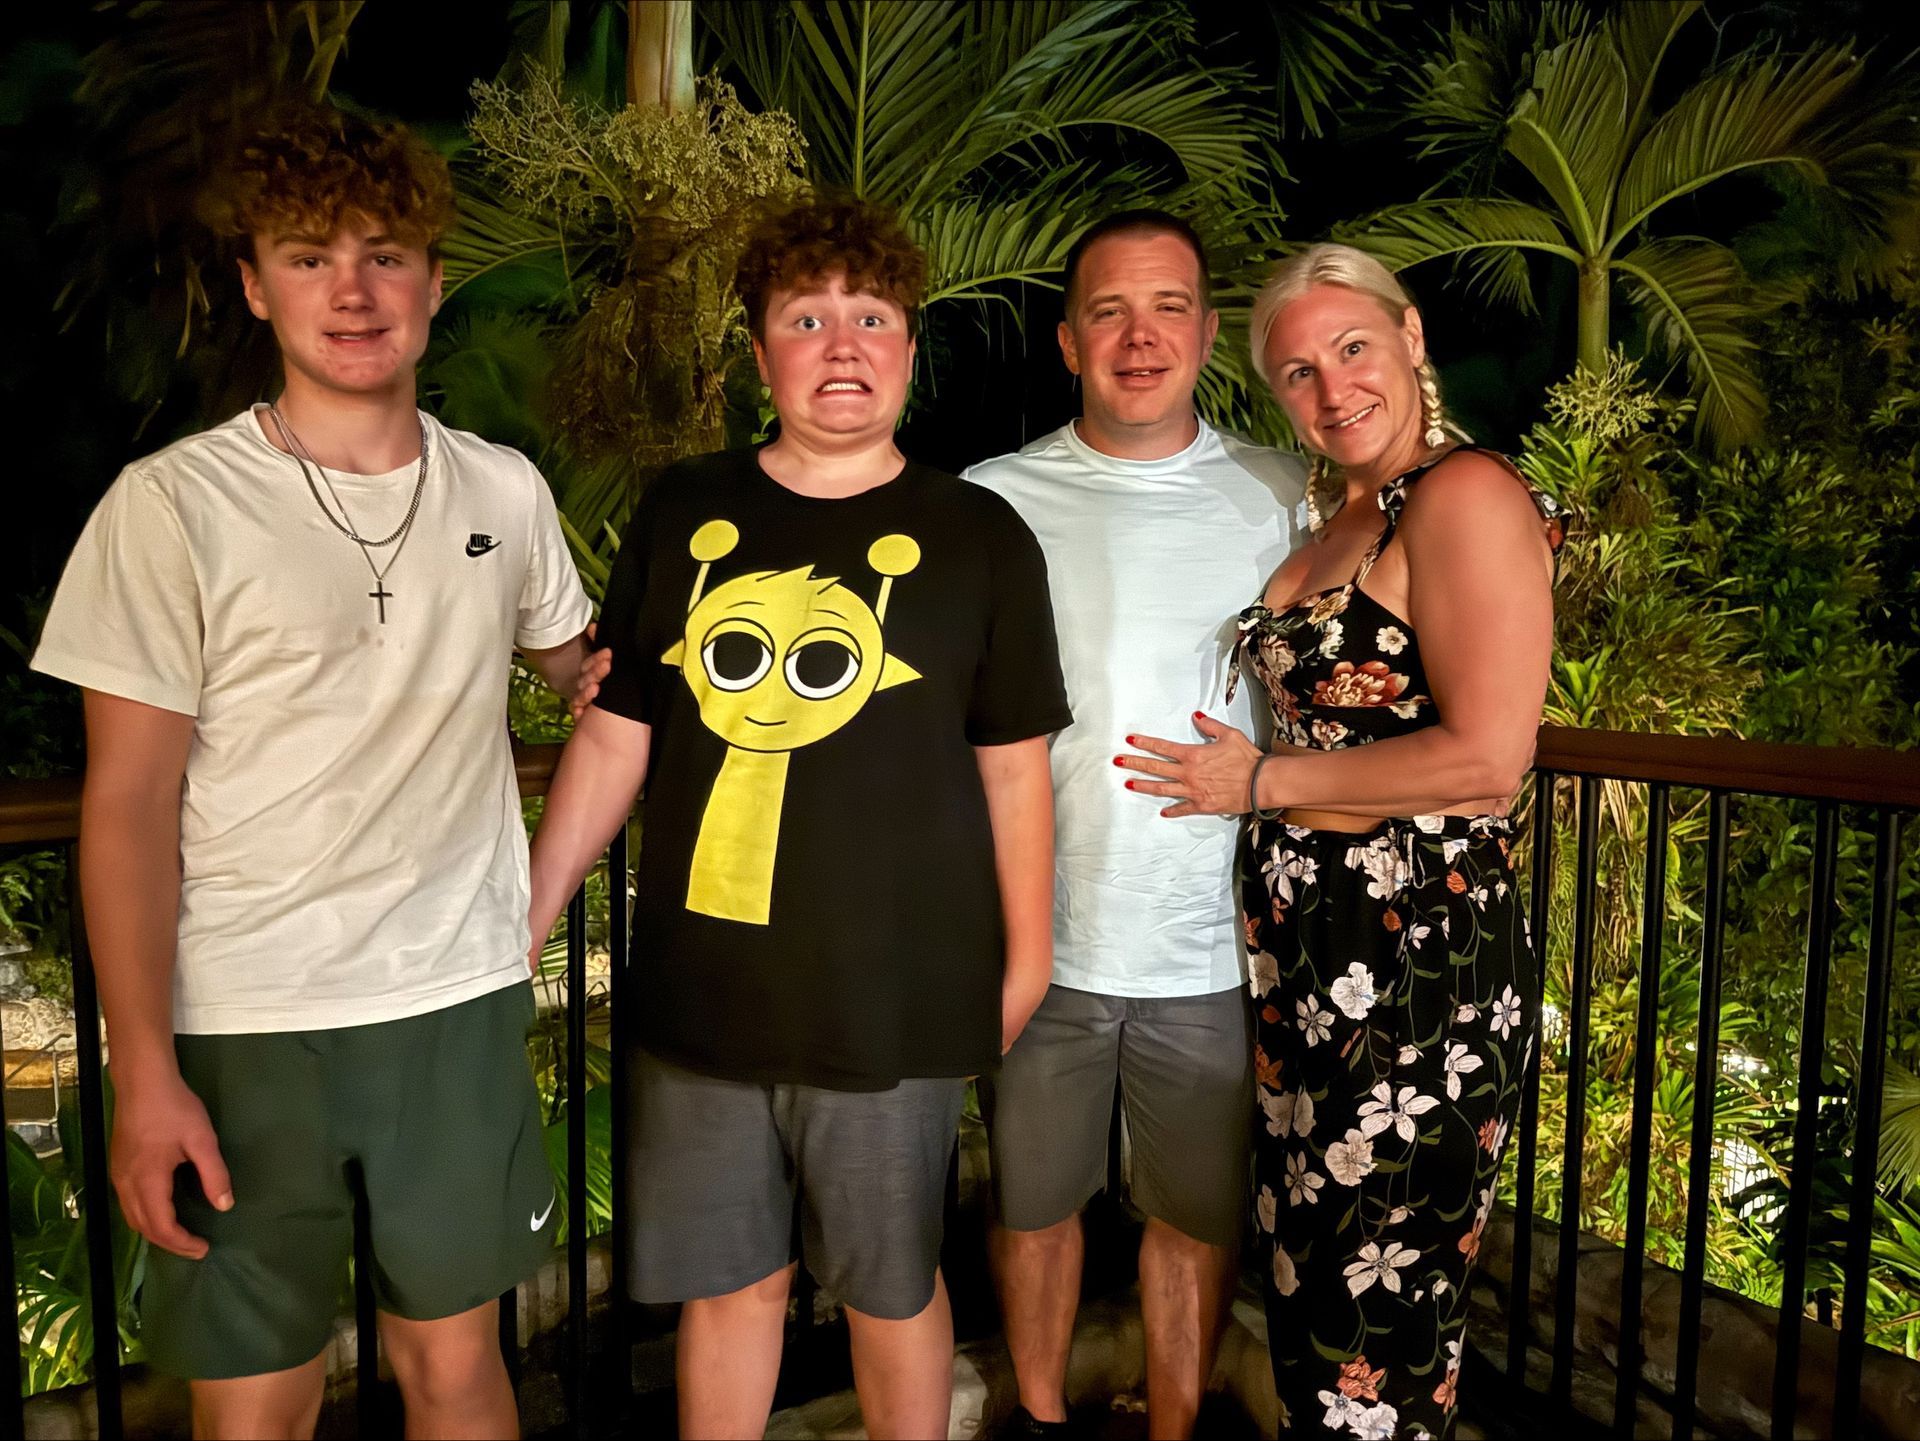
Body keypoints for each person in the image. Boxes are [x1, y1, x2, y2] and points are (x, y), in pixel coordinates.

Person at [30, 107, 595, 1439]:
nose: (352, 290)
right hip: (244, 1014)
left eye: (387, 253)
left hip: (456, 994)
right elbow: (123, 807)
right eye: (307, 254)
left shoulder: (504, 492)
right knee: (256, 1398)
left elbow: (591, 675)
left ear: (436, 280)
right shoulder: (171, 506)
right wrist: (146, 1070)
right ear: (252, 283)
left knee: (457, 1368)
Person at [531, 195, 1069, 1441]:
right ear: (760, 350)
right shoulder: (681, 509)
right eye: (806, 318)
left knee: (892, 1286)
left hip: (901, 990)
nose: (841, 346)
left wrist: (1027, 958)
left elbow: (1013, 767)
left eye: (869, 318)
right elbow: (621, 732)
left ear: (909, 346)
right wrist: (529, 908)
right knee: (729, 1287)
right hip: (703, 991)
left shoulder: (981, 535)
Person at [1117, 242, 1560, 1440]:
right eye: (1298, 373)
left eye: (1352, 349)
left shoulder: (1466, 493)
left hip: (1418, 970)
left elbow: (1484, 758)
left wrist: (1261, 777)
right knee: (1321, 1296)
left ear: (1412, 337)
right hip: (1312, 972)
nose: (1331, 389)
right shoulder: (1350, 512)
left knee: (1379, 1319)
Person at [963, 210, 1307, 1439]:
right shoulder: (991, 500)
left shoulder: (1285, 494)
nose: (1139, 335)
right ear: (1069, 341)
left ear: (1209, 334)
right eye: (1109, 310)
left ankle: (1171, 1430)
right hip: (1037, 932)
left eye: (1167, 307)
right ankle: (1045, 1418)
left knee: (1195, 1214)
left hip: (1212, 937)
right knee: (1034, 1205)